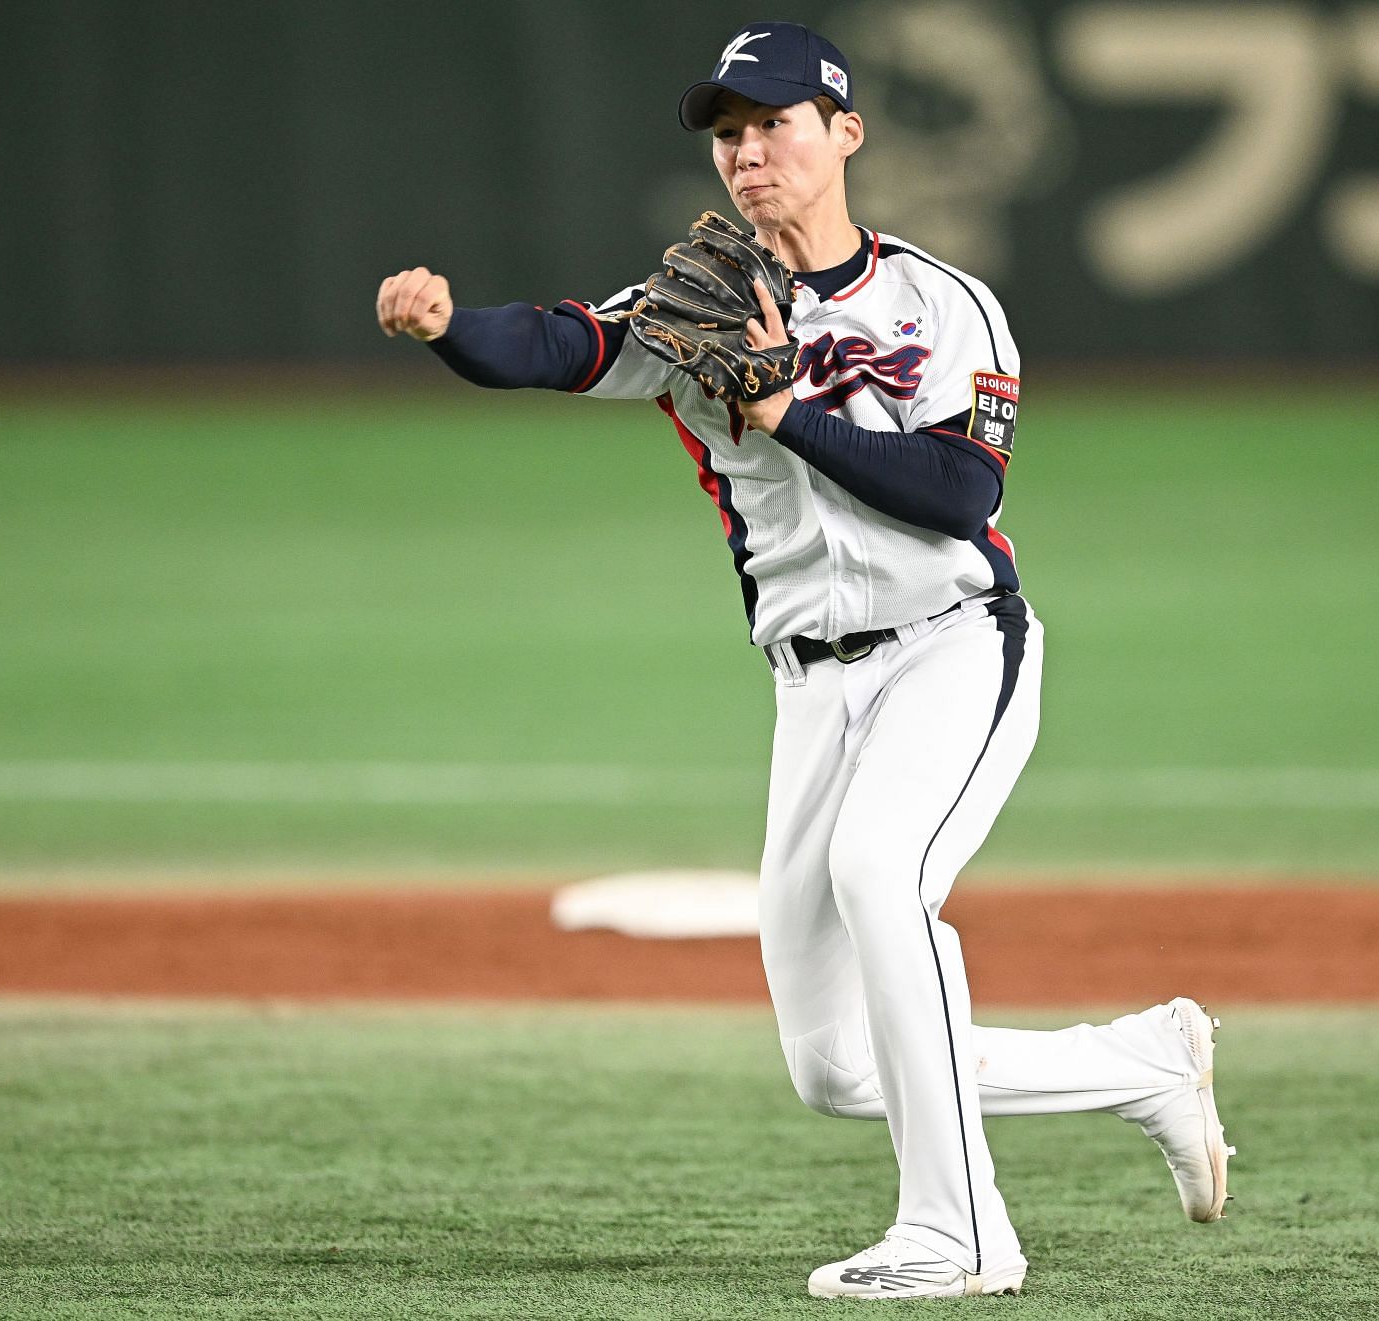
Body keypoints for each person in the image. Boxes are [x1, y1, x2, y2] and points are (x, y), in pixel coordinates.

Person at [376, 20, 1232, 1302]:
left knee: (882, 873)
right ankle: (1143, 1066)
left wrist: (784, 408)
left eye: (773, 124)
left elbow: (955, 491)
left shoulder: (944, 303)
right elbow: (555, 346)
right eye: (728, 133)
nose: (748, 153)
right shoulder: (693, 312)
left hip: (955, 647)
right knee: (834, 1065)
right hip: (810, 687)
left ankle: (961, 1233)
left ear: (846, 133)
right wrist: (452, 326)